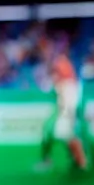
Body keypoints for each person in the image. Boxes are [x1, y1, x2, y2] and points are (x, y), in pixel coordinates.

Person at [35, 35, 87, 172]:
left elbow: (67, 87)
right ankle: (54, 160)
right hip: (63, 105)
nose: (44, 54)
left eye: (45, 50)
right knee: (51, 131)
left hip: (67, 106)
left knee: (63, 132)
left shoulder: (61, 63)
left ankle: (80, 161)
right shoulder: (56, 65)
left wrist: (66, 106)